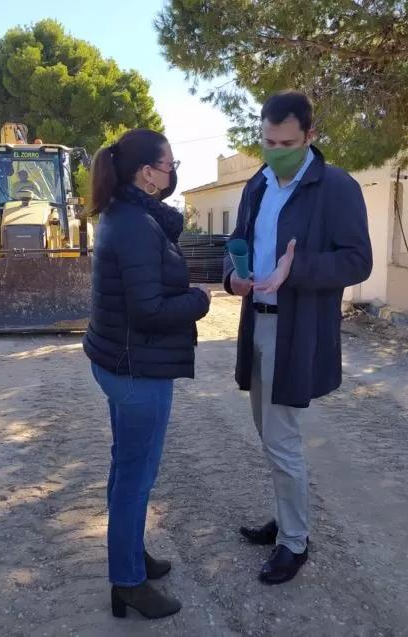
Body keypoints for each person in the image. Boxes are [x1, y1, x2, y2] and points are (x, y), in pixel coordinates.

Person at [224, 90, 373, 585]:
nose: (275, 151)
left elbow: (358, 261)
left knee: (282, 437)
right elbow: (237, 243)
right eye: (267, 141)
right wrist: (233, 276)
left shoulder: (336, 187)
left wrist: (298, 268)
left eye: (286, 143)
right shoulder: (258, 184)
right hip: (256, 321)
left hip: (295, 329)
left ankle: (294, 542)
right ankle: (285, 516)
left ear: (310, 135)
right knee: (268, 433)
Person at [83, 129, 211, 619]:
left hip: (121, 361)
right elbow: (150, 309)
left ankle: (129, 555)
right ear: (147, 173)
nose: (173, 173)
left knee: (126, 469)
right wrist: (200, 300)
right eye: (169, 165)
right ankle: (128, 582)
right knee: (136, 478)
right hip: (136, 369)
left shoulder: (127, 214)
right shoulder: (135, 223)